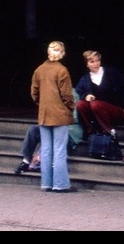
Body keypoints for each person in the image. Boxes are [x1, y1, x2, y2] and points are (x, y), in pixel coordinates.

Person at [30, 40, 76, 193]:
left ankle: (46, 183)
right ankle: (61, 184)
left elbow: (34, 93)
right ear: (62, 53)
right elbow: (67, 95)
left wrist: (42, 104)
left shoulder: (39, 70)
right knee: (59, 150)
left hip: (44, 114)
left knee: (47, 150)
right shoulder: (62, 71)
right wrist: (71, 107)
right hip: (60, 114)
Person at [14, 89, 84, 174]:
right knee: (33, 130)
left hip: (70, 130)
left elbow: (74, 118)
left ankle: (50, 164)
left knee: (58, 133)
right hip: (52, 126)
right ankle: (26, 161)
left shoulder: (73, 94)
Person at [74, 50, 124, 137]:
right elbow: (78, 91)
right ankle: (90, 132)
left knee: (96, 104)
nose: (95, 64)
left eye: (97, 61)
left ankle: (108, 132)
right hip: (96, 114)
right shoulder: (85, 78)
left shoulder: (111, 72)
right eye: (92, 62)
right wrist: (86, 96)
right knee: (80, 104)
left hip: (115, 111)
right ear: (87, 64)